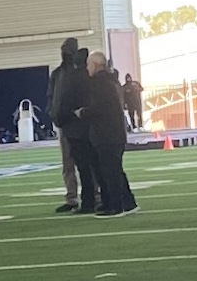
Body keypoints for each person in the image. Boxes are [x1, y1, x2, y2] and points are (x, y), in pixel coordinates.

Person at [81, 52, 136, 216]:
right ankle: (128, 202)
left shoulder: (99, 84)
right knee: (116, 170)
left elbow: (100, 109)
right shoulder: (111, 81)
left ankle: (116, 206)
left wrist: (83, 112)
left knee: (110, 171)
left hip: (106, 134)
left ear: (96, 65)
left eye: (89, 64)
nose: (87, 68)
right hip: (115, 132)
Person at [50, 41, 95, 214]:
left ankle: (92, 197)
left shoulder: (79, 73)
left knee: (86, 163)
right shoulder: (58, 74)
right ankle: (72, 197)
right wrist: (54, 113)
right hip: (65, 123)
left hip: (79, 123)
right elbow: (52, 96)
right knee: (68, 163)